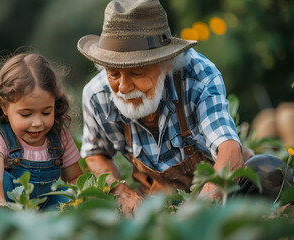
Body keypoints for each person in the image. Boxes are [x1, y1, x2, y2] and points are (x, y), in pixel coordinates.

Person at [77, 0, 292, 217]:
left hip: (220, 196)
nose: (122, 87)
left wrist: (203, 204)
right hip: (155, 206)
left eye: (137, 73)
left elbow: (229, 149)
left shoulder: (198, 77)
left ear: (166, 63)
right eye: (113, 73)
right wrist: (122, 192)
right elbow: (96, 154)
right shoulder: (97, 95)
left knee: (269, 170)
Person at [0, 53, 82, 210]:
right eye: (26, 114)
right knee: (2, 180)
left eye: (46, 112)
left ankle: (49, 223)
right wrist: (0, 211)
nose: (37, 123)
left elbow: (74, 177)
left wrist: (78, 199)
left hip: (38, 207)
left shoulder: (60, 138)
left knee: (67, 196)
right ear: (4, 106)